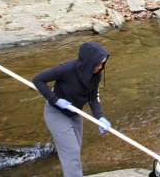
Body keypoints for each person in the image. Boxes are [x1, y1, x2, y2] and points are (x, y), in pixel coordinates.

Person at [32, 41, 111, 177]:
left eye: (102, 64)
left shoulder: (95, 74)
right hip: (56, 113)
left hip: (75, 113)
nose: (100, 67)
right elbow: (38, 79)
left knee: (75, 151)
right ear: (88, 61)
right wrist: (55, 100)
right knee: (71, 152)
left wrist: (100, 117)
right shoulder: (66, 68)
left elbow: (93, 98)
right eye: (97, 64)